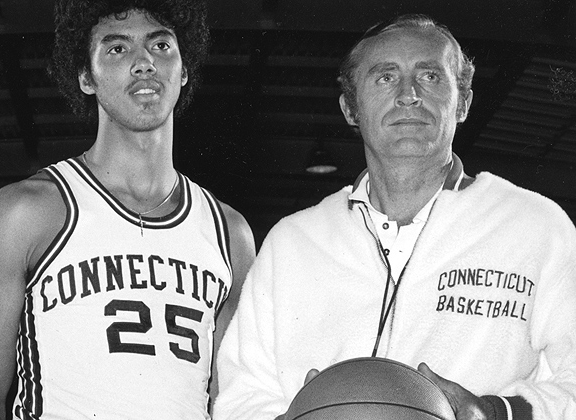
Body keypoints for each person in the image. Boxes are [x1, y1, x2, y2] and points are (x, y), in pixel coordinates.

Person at [213, 14, 576, 420]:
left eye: (431, 77)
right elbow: (241, 392)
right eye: (385, 78)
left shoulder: (536, 225)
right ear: (350, 109)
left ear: (464, 104)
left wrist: (494, 412)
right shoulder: (293, 240)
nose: (409, 95)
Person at [0, 0, 255, 419]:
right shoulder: (27, 212)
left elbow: (234, 403)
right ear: (85, 77)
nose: (145, 62)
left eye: (161, 45)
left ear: (184, 71)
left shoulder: (229, 233)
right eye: (117, 49)